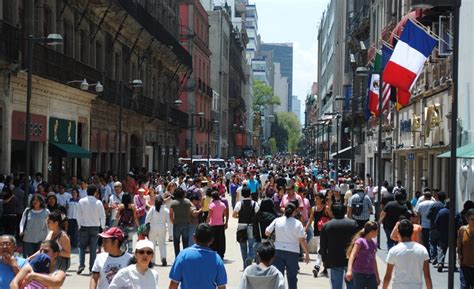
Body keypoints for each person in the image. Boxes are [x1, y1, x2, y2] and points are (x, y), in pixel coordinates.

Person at [169, 223, 227, 289]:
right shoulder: (217, 259)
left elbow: (173, 285)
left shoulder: (183, 255)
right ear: (212, 240)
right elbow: (222, 287)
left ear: (194, 237)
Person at [265, 202, 310, 289]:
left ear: (284, 210)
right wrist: (307, 253)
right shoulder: (298, 223)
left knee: (278, 277)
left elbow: (267, 232)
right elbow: (302, 240)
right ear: (295, 212)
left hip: (278, 251)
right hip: (293, 252)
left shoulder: (277, 220)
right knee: (292, 277)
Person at [382, 219, 432, 289]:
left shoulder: (393, 251)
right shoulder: (422, 250)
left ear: (398, 232)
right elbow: (427, 276)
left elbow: (388, 276)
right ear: (412, 232)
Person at [320, 203, 358, 289]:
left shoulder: (326, 226)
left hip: (334, 259)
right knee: (352, 284)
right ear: (344, 211)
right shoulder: (353, 224)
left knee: (336, 285)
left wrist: (324, 259)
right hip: (350, 258)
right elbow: (357, 242)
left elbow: (323, 245)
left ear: (332, 212)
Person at [77, 185, 106, 275]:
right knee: (93, 249)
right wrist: (103, 226)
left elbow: (78, 215)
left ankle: (81, 264)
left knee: (81, 247)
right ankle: (91, 268)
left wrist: (79, 226)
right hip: (95, 227)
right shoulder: (98, 202)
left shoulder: (81, 201)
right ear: (95, 192)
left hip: (84, 227)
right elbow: (102, 215)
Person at [345, 221, 380, 289]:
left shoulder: (374, 243)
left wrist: (377, 276)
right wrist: (349, 270)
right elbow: (352, 256)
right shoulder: (360, 241)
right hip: (359, 273)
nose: (377, 233)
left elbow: (373, 260)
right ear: (371, 231)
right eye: (377, 231)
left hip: (371, 273)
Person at [233, 186, 260, 268]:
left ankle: (245, 265)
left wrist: (240, 217)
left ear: (242, 194)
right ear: (250, 194)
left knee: (243, 246)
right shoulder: (255, 203)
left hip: (241, 226)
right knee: (252, 245)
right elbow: (258, 215)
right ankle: (250, 257)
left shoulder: (239, 204)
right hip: (251, 226)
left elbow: (233, 215)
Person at [306, 192, 330, 278]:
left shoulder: (326, 208)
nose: (315, 200)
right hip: (317, 231)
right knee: (322, 250)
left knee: (320, 249)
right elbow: (310, 219)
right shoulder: (313, 208)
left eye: (317, 199)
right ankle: (326, 268)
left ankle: (317, 267)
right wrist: (306, 229)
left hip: (326, 232)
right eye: (315, 198)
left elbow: (331, 218)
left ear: (322, 199)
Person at [145, 195, 170, 266]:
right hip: (162, 227)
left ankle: (152, 260)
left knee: (152, 244)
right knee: (162, 244)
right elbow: (169, 221)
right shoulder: (166, 210)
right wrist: (170, 232)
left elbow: (147, 219)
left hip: (153, 227)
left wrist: (146, 225)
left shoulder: (152, 208)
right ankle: (163, 257)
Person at [169, 187, 192, 257]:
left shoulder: (172, 203)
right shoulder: (188, 202)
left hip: (177, 224)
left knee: (176, 242)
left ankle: (177, 257)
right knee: (185, 242)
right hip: (186, 223)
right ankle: (186, 257)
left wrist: (173, 222)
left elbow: (171, 215)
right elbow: (190, 212)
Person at [207, 190, 229, 259]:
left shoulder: (211, 205)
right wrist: (226, 222)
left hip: (213, 225)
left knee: (213, 240)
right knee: (221, 239)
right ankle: (221, 254)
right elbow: (225, 215)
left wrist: (206, 222)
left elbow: (209, 216)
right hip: (221, 224)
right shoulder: (223, 204)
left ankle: (213, 253)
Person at [414, 189, 435, 257]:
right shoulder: (434, 204)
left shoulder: (421, 204)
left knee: (425, 241)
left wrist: (417, 223)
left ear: (424, 197)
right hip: (432, 225)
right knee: (432, 240)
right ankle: (433, 254)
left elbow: (417, 214)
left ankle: (427, 253)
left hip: (424, 225)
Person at [457, 208, 474, 289]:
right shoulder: (462, 230)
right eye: (472, 219)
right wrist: (459, 257)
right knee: (464, 286)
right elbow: (459, 246)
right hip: (465, 266)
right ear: (467, 219)